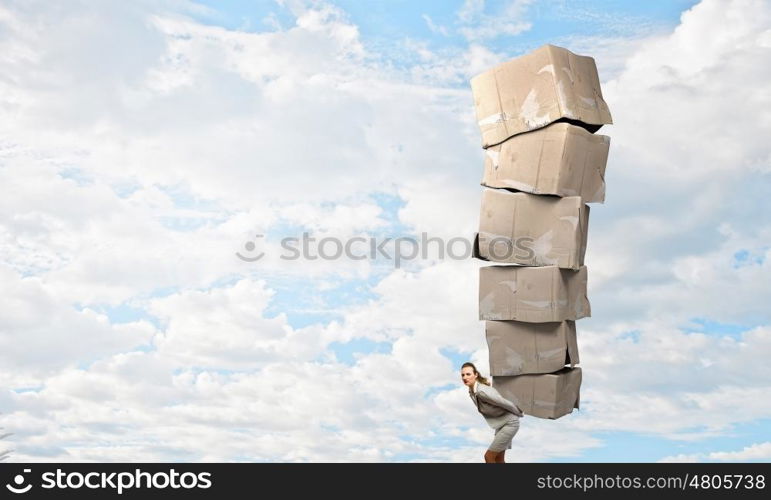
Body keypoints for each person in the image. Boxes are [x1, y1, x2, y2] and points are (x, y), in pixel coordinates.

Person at [461, 361, 523, 463]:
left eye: (468, 374)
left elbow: (502, 402)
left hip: (510, 424)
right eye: (463, 375)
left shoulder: (481, 391)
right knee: (498, 459)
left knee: (488, 457)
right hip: (502, 424)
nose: (465, 377)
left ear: (475, 375)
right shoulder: (472, 392)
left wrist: (518, 412)